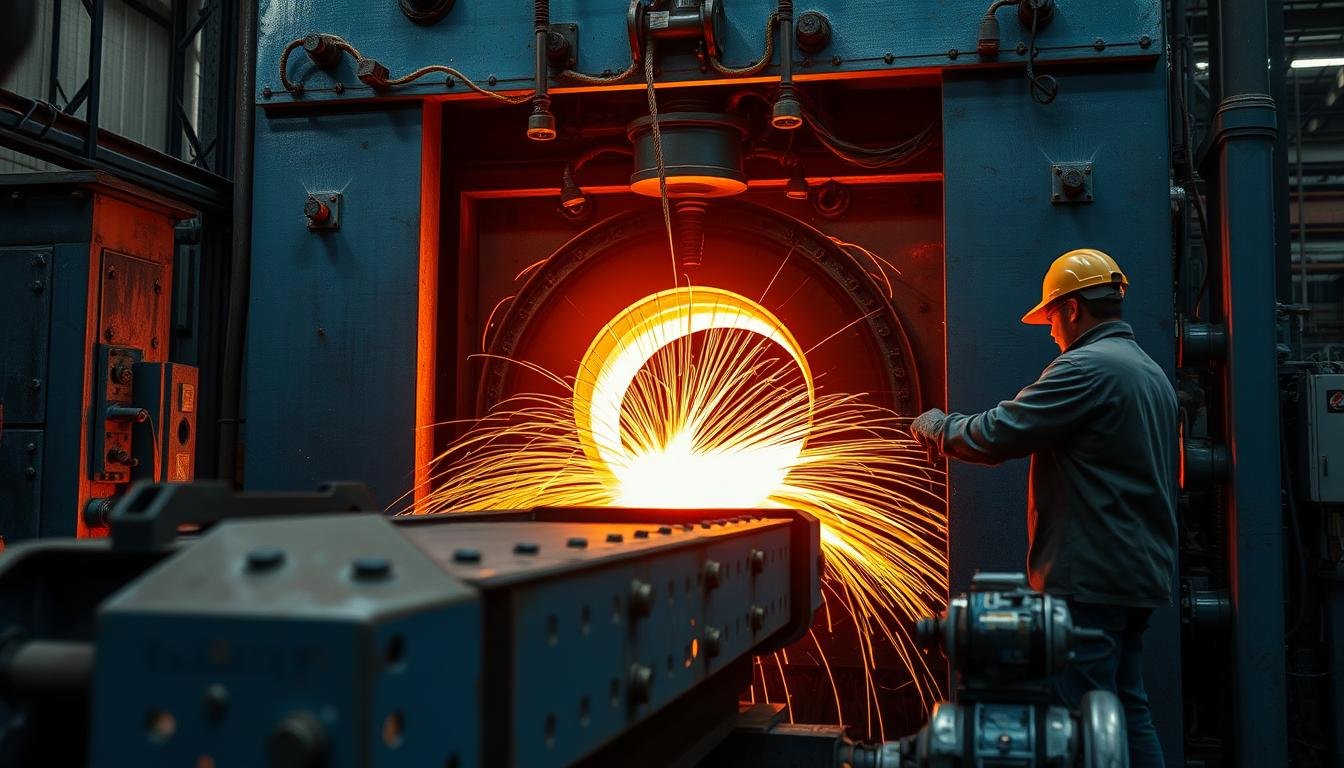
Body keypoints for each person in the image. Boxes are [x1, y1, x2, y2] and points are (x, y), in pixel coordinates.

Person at [909, 248, 1177, 768]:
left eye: (1051, 317)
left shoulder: (1085, 369)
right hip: (1137, 574)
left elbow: (997, 433)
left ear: (1073, 309)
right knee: (1124, 711)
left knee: (1077, 725)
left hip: (1090, 578)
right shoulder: (1149, 373)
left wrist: (940, 428)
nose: (1050, 331)